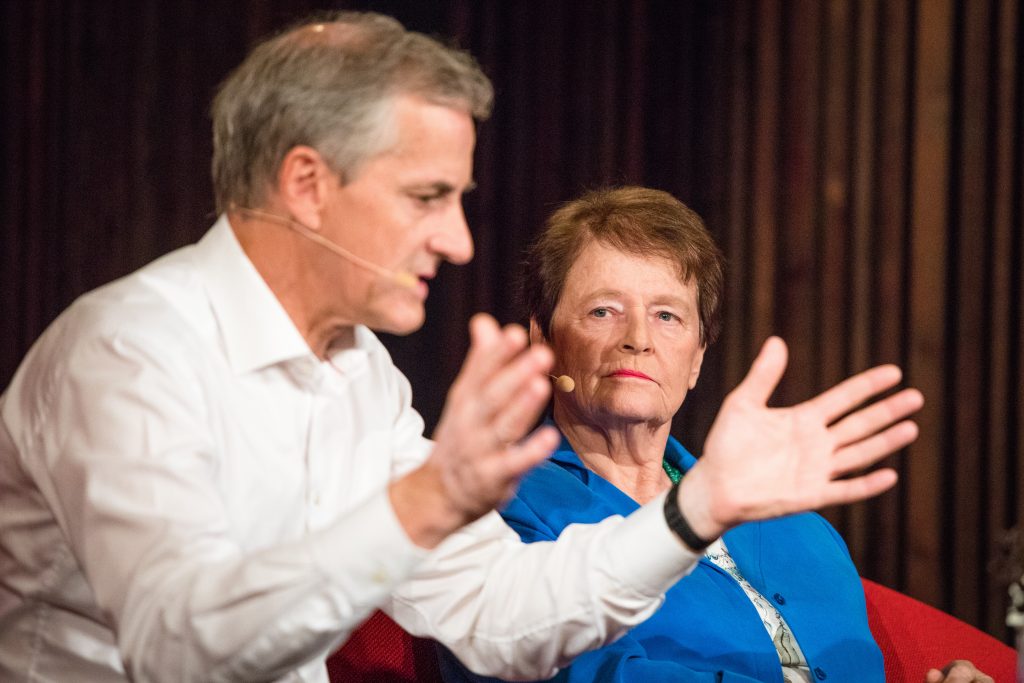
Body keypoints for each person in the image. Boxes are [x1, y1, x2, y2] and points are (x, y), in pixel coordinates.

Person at [0, 12, 923, 683]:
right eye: (426, 197)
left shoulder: (360, 375)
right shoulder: (128, 353)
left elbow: (495, 609)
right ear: (307, 184)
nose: (457, 240)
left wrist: (696, 510)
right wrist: (422, 503)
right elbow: (179, 647)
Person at [440, 187, 990, 683]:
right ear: (544, 339)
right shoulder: (497, 505)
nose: (638, 338)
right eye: (603, 311)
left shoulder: (799, 527)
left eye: (667, 316)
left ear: (698, 358)